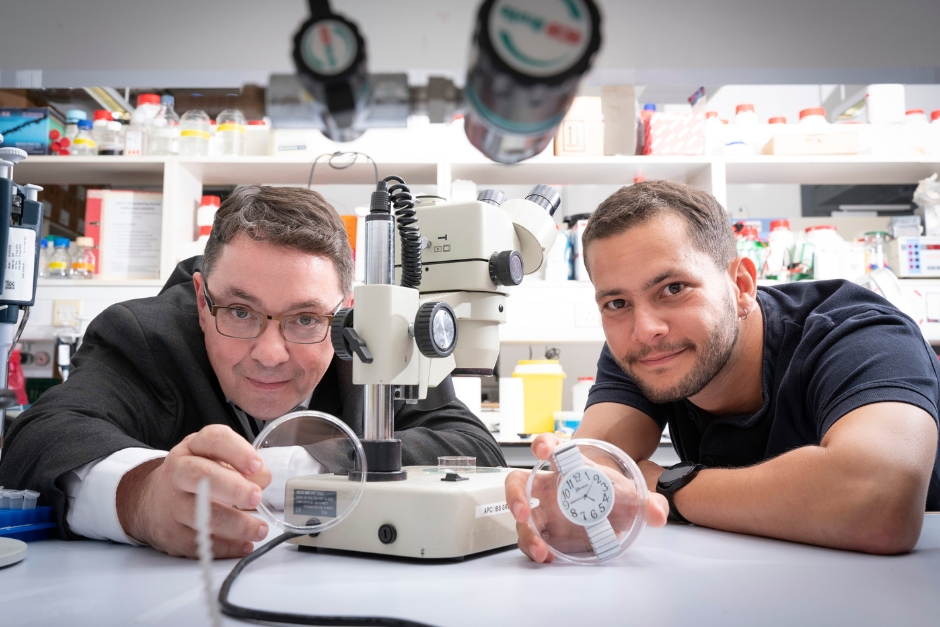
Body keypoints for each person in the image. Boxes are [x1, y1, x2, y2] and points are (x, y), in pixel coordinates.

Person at [0, 185, 504, 558]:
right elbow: (37, 442)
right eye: (240, 312)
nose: (270, 353)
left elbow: (473, 444)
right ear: (202, 300)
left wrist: (313, 465)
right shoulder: (144, 337)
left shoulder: (380, 335)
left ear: (349, 310)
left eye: (306, 319)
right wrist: (142, 498)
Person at [506, 180, 940, 561]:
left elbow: (880, 500)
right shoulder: (645, 351)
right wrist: (554, 495)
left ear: (742, 286)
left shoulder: (859, 335)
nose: (645, 329)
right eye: (616, 303)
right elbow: (595, 462)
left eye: (673, 289)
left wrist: (665, 485)